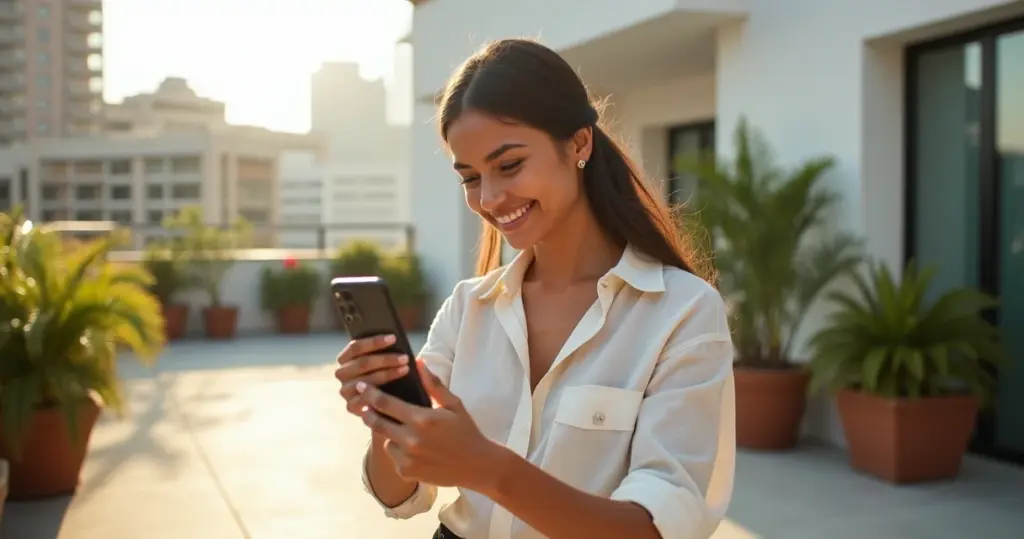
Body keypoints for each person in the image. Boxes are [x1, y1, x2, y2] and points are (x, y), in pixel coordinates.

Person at [334, 38, 735, 539]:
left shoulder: (682, 312)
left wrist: (487, 469)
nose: (490, 197)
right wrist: (387, 420)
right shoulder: (468, 307)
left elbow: (658, 527)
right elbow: (400, 496)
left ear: (580, 144)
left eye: (509, 165)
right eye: (470, 177)